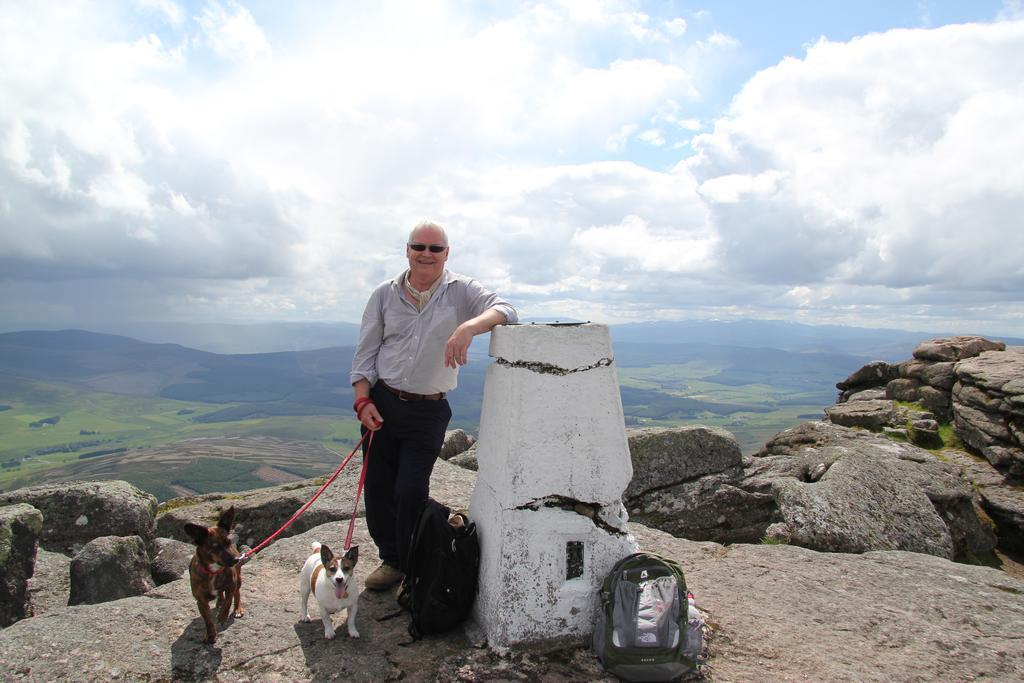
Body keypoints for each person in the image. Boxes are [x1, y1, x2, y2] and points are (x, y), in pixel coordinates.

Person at [350, 220, 517, 591]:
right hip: (382, 404)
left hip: (428, 410)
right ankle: (392, 561)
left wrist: (468, 327)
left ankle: (412, 562)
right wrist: (362, 401)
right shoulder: (383, 294)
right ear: (407, 250)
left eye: (435, 248)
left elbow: (506, 310)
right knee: (378, 489)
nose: (426, 254)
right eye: (418, 246)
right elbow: (365, 355)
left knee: (409, 489)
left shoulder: (461, 291)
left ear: (446, 253)